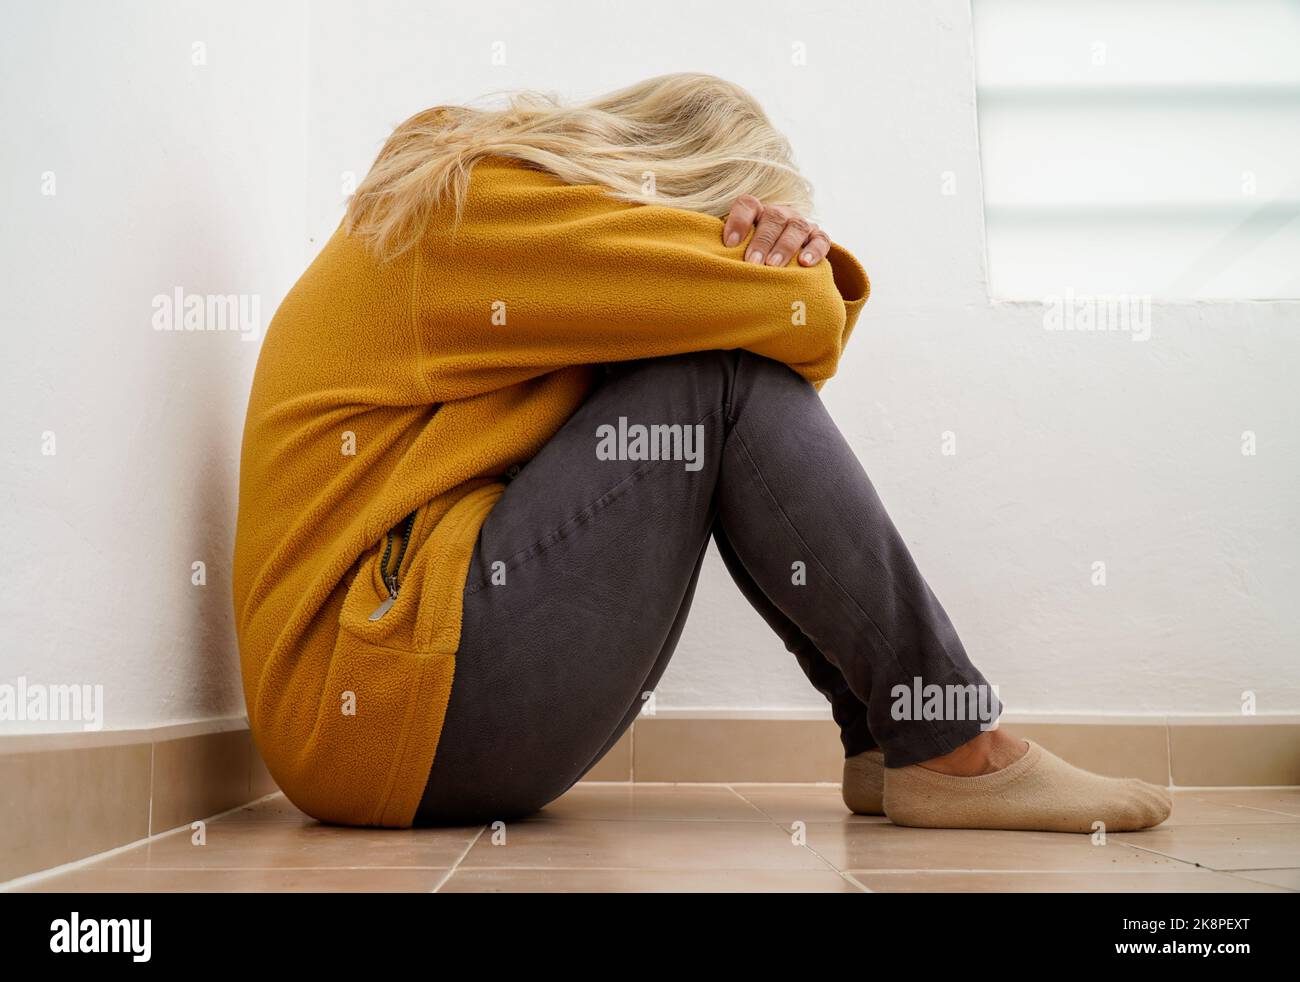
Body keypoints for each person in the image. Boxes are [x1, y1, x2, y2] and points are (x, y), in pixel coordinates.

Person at [233, 73, 1171, 834]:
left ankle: (895, 743)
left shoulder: (528, 253)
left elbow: (788, 335)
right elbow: (801, 321)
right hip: (381, 702)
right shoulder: (468, 200)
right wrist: (792, 277)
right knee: (721, 380)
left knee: (709, 391)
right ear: (680, 184)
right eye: (736, 233)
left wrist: (775, 282)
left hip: (399, 711)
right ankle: (954, 745)